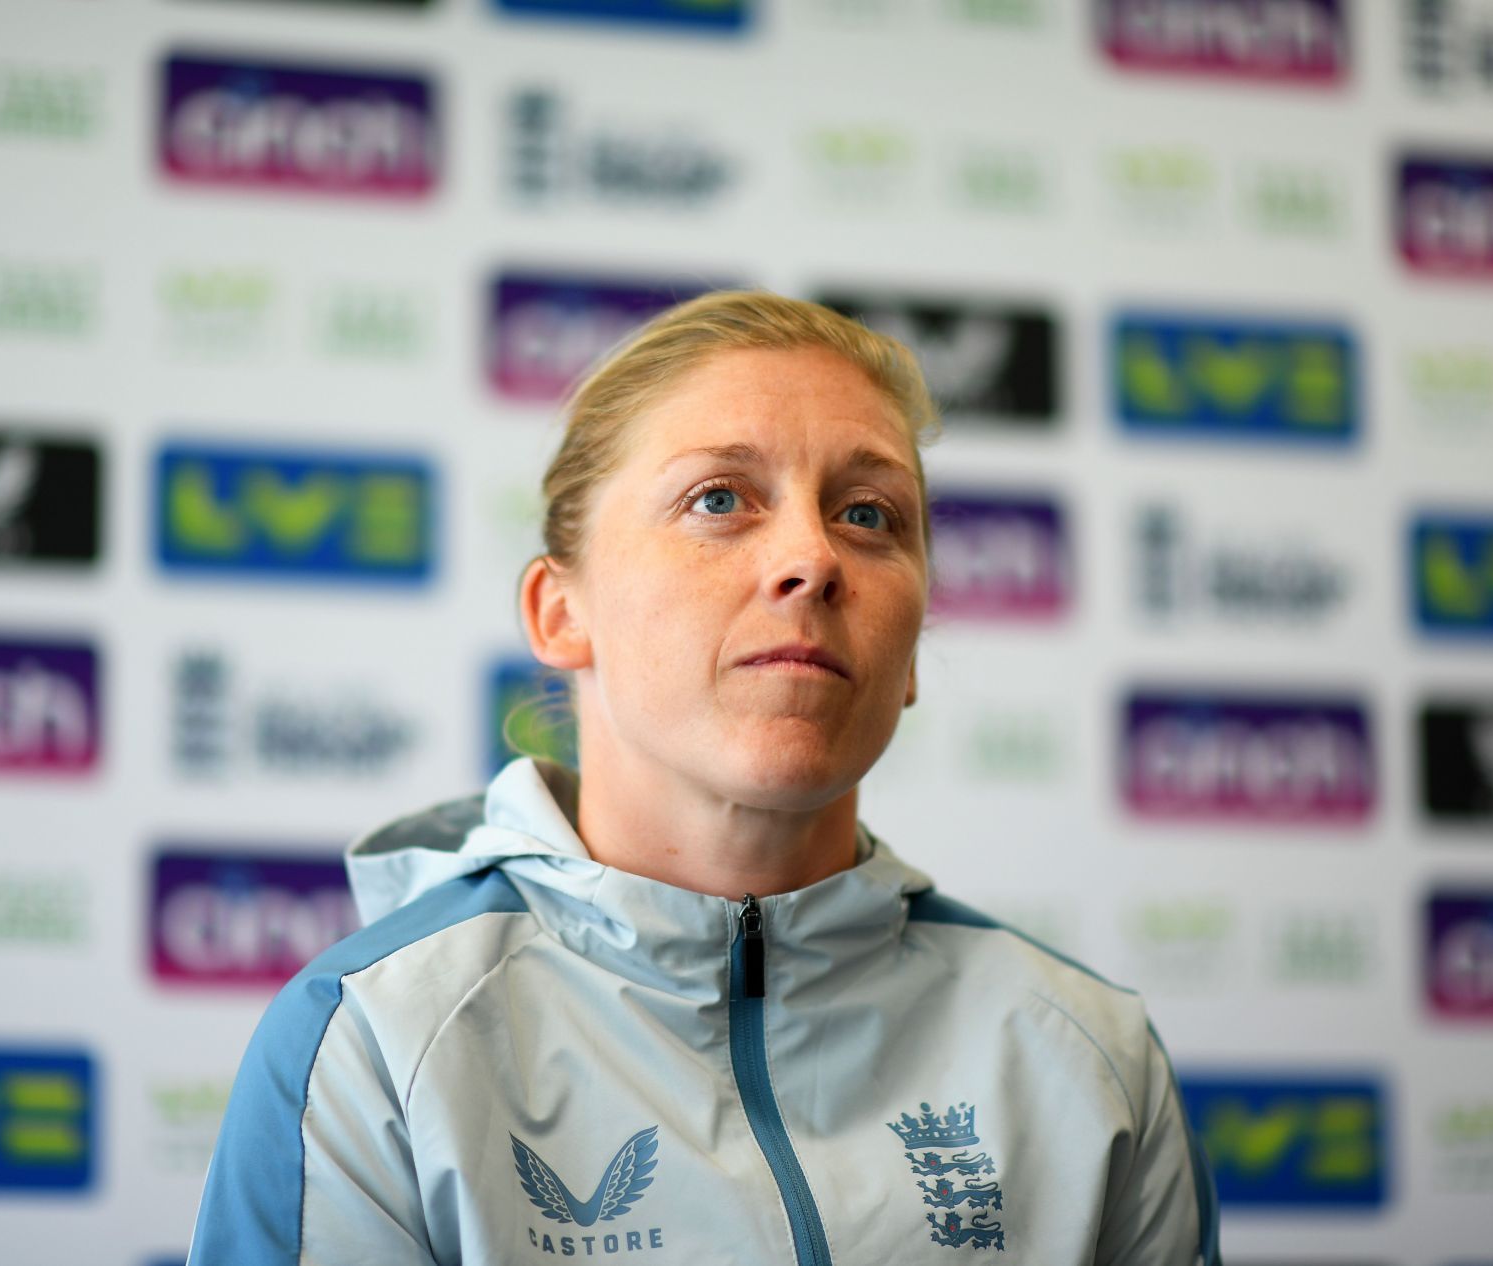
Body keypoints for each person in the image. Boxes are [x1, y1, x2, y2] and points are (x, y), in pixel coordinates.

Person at [187, 290, 1221, 1264]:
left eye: (868, 515)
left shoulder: (1089, 1059)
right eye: (719, 498)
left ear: (910, 657)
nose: (813, 560)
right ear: (560, 612)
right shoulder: (376, 1041)